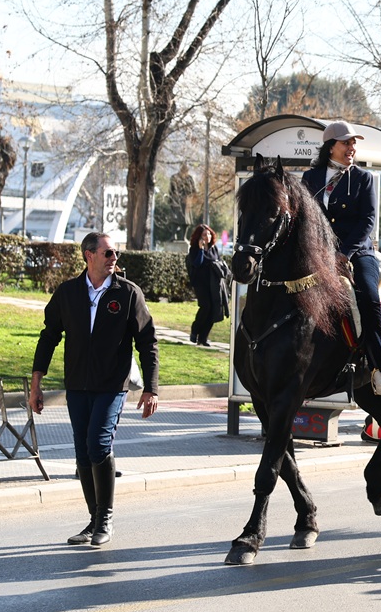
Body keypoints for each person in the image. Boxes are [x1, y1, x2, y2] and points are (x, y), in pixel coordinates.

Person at [29, 232, 159, 547]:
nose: (114, 258)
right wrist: (36, 384)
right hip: (76, 385)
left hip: (112, 385)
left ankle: (105, 520)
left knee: (98, 445)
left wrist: (150, 388)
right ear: (89, 255)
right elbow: (48, 337)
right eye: (108, 253)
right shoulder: (68, 293)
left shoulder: (128, 294)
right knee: (83, 454)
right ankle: (93, 520)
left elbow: (147, 342)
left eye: (116, 253)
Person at [302, 121, 381, 396]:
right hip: (319, 253)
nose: (352, 148)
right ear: (331, 146)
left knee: (368, 294)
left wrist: (345, 253)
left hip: (357, 252)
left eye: (354, 143)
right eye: (347, 143)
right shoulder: (311, 178)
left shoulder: (364, 178)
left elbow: (368, 220)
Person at [185, 223, 230, 346]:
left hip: (213, 283)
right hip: (201, 283)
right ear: (199, 237)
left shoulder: (213, 249)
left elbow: (219, 262)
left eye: (209, 234)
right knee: (206, 307)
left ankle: (203, 338)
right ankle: (195, 330)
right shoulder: (194, 250)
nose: (207, 236)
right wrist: (200, 249)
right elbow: (197, 264)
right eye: (204, 234)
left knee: (213, 310)